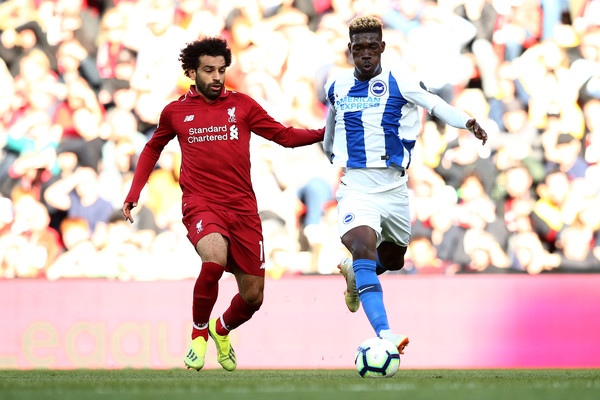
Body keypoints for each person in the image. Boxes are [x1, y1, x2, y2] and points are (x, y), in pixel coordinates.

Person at [121, 36, 324, 372]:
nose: (216, 76)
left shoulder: (242, 105)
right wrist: (133, 192)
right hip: (202, 204)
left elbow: (284, 137)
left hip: (243, 209)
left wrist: (322, 131)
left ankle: (221, 329)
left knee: (253, 297)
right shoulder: (175, 112)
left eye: (221, 70)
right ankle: (199, 334)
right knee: (213, 261)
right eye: (208, 70)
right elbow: (152, 149)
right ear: (191, 72)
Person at [323, 16, 488, 355]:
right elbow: (332, 121)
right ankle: (385, 334)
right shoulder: (337, 85)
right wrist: (329, 149)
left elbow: (437, 106)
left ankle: (355, 277)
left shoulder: (400, 80)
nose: (365, 54)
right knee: (362, 248)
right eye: (358, 48)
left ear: (382, 48)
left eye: (372, 47)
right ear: (349, 50)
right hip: (355, 186)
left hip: (395, 187)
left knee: (394, 259)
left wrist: (467, 121)